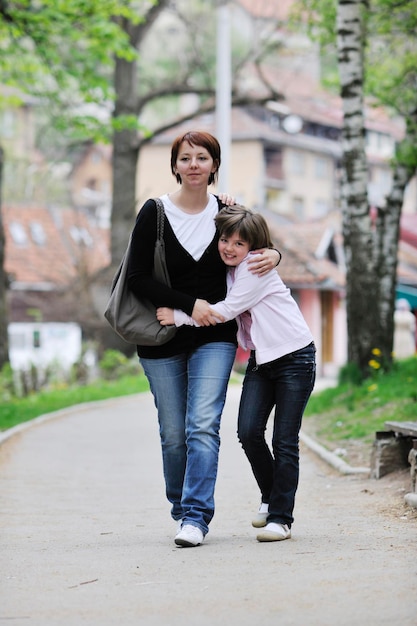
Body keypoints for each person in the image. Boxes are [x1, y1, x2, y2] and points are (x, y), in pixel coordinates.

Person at [126, 131, 280, 548]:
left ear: (214, 165)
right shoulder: (154, 213)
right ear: (175, 165)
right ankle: (181, 509)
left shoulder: (227, 212)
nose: (194, 164)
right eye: (186, 158)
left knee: (202, 426)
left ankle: (196, 516)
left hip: (217, 336)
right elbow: (137, 277)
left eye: (203, 157)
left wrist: (276, 254)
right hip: (161, 337)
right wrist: (188, 304)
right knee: (173, 432)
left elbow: (257, 247)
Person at [157, 204, 316, 542]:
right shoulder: (229, 266)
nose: (229, 248)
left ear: (254, 249)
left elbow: (228, 310)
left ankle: (281, 518)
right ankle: (272, 496)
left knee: (284, 440)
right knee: (248, 432)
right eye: (225, 239)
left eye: (239, 244)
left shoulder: (255, 268)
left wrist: (179, 315)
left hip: (294, 357)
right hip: (262, 360)